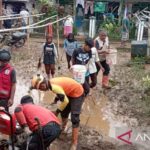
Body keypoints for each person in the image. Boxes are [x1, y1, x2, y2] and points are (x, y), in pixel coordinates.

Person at [30, 75, 84, 150]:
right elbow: (61, 91)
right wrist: (56, 100)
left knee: (74, 118)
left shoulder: (53, 86)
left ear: (43, 84)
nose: (41, 90)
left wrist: (57, 111)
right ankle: (63, 128)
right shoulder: (50, 84)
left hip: (77, 92)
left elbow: (65, 100)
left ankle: (74, 143)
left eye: (40, 87)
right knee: (64, 113)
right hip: (68, 92)